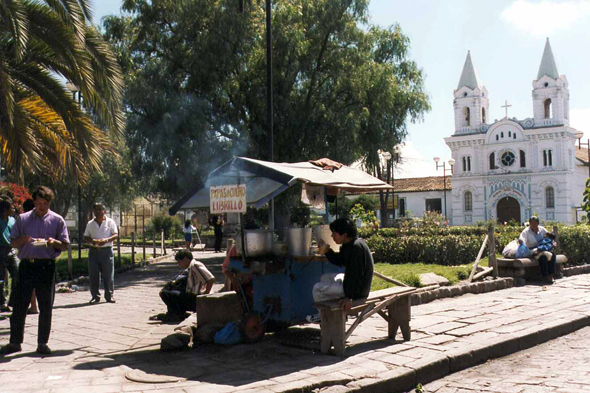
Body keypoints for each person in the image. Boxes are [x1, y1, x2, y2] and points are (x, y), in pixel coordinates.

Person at [1, 186, 69, 355]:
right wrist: (22, 240)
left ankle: (42, 343)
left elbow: (65, 245)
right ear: (34, 202)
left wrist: (54, 242)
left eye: (45, 203)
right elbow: (12, 242)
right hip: (27, 266)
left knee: (45, 306)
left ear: (49, 203)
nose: (42, 207)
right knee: (19, 305)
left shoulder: (57, 220)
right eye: (39, 203)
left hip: (46, 266)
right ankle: (15, 342)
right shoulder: (23, 219)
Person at [307, 218, 374, 323]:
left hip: (358, 292)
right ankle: (336, 312)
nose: (332, 236)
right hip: (358, 287)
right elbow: (340, 260)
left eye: (334, 233)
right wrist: (327, 251)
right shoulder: (352, 244)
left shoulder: (355, 248)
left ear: (344, 234)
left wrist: (349, 298)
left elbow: (355, 275)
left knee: (317, 288)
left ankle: (323, 315)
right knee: (324, 278)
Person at [151, 249, 215, 322]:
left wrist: (206, 294)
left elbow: (210, 279)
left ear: (185, 259)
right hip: (191, 295)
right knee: (169, 290)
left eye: (179, 262)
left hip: (195, 298)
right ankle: (176, 313)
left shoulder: (195, 265)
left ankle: (176, 314)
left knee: (164, 294)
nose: (179, 264)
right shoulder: (189, 267)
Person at [83, 203, 119, 304]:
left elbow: (115, 235)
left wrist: (106, 240)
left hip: (106, 250)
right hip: (94, 251)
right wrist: (92, 241)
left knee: (108, 274)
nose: (98, 212)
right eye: (96, 210)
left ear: (104, 211)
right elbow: (85, 236)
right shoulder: (90, 223)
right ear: (93, 211)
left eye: (100, 209)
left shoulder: (110, 222)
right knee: (93, 274)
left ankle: (109, 296)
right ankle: (95, 296)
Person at [519, 216, 557, 283]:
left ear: (538, 223)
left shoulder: (541, 229)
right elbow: (522, 239)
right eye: (532, 223)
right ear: (529, 223)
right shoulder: (526, 231)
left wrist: (553, 243)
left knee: (553, 255)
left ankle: (551, 275)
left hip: (543, 248)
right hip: (532, 250)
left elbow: (549, 237)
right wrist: (521, 242)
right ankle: (545, 276)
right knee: (543, 257)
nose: (533, 225)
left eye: (535, 223)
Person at [0, 198, 18, 312]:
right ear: (5, 209)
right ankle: (2, 302)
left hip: (11, 250)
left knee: (17, 275)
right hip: (0, 250)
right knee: (0, 279)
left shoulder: (12, 220)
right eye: (12, 207)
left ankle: (13, 301)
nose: (14, 209)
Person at [21, 199, 38, 314]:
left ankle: (33, 306)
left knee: (30, 283)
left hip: (29, 255)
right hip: (42, 254)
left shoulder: (24, 220)